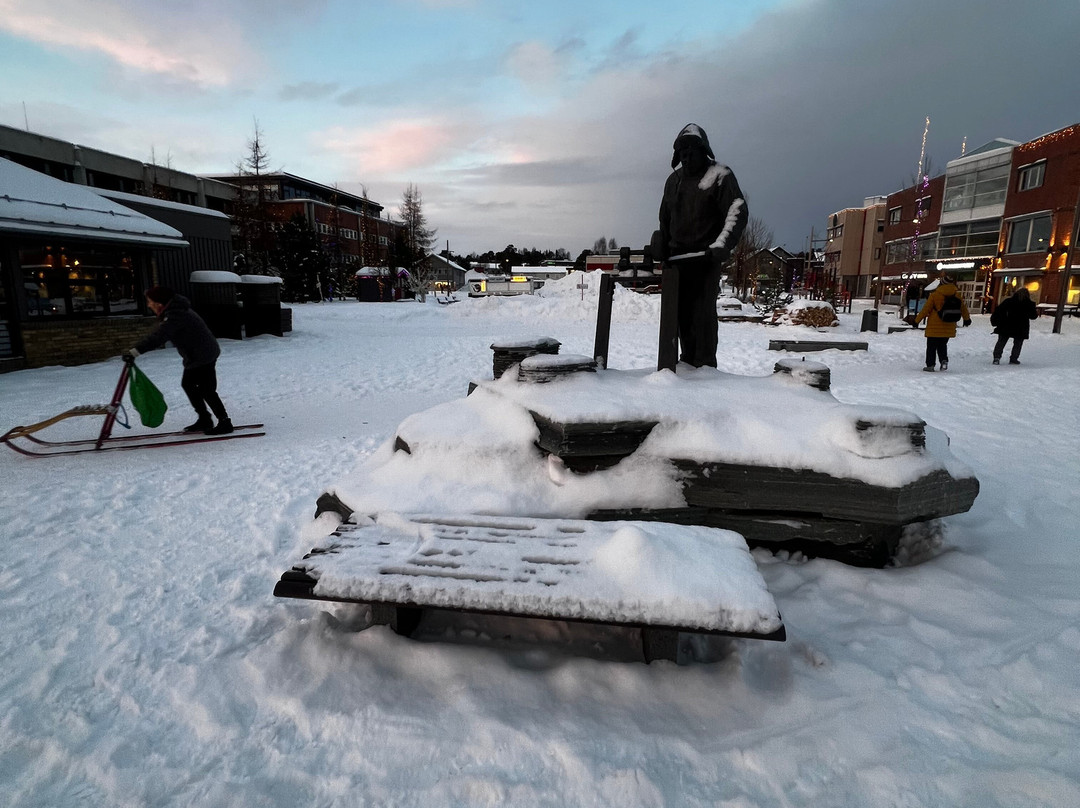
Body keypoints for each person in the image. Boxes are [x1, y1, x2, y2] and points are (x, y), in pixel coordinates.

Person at [655, 123, 748, 367]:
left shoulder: (719, 175)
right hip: (677, 262)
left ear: (704, 151)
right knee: (680, 316)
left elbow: (736, 209)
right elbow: (665, 218)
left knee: (702, 315)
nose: (686, 158)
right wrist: (662, 244)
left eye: (691, 152)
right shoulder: (673, 181)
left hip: (704, 259)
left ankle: (705, 366)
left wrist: (722, 244)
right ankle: (686, 363)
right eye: (682, 153)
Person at [123, 286, 233, 434]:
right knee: (190, 385)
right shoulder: (175, 311)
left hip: (203, 354)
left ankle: (224, 421)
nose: (149, 305)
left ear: (159, 302)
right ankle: (205, 418)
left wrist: (135, 351)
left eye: (150, 301)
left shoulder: (176, 314)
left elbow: (159, 337)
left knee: (206, 389)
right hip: (197, 354)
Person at [915, 272, 971, 371]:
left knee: (931, 347)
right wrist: (967, 319)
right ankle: (944, 361)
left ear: (941, 284)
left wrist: (916, 321)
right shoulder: (957, 296)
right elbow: (963, 309)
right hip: (949, 325)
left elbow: (926, 309)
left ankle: (930, 365)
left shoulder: (934, 295)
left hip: (934, 327)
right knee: (942, 345)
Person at [990, 287, 1038, 365]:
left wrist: (996, 322)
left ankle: (996, 357)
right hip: (1021, 327)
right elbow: (1033, 316)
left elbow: (998, 311)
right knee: (1018, 343)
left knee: (1001, 342)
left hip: (1006, 325)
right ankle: (1014, 358)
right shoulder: (1028, 304)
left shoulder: (1008, 301)